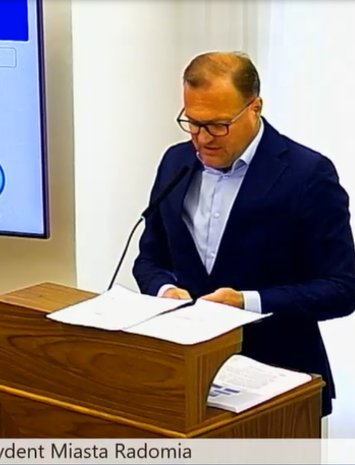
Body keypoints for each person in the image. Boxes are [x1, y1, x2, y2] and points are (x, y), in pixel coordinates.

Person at [132, 51, 355, 417]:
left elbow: (342, 289)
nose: (203, 139)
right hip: (185, 378)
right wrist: (164, 291)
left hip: (279, 385)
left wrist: (246, 302)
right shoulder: (175, 162)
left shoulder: (308, 174)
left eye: (218, 125)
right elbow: (150, 259)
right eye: (193, 123)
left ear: (255, 108)